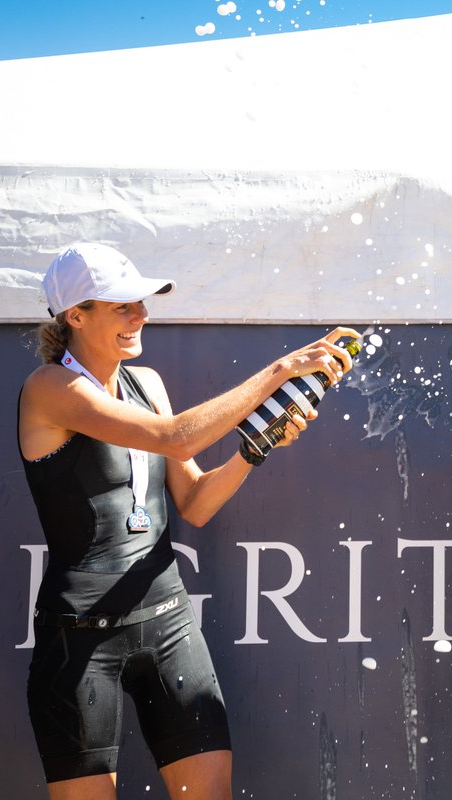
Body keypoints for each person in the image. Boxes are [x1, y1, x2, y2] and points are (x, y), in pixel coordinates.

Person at [19, 242, 360, 799]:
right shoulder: (49, 389)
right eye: (123, 306)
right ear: (75, 316)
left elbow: (196, 501)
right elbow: (174, 436)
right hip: (78, 642)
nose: (141, 316)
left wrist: (255, 449)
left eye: (142, 303)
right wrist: (281, 370)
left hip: (169, 624)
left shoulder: (147, 383)